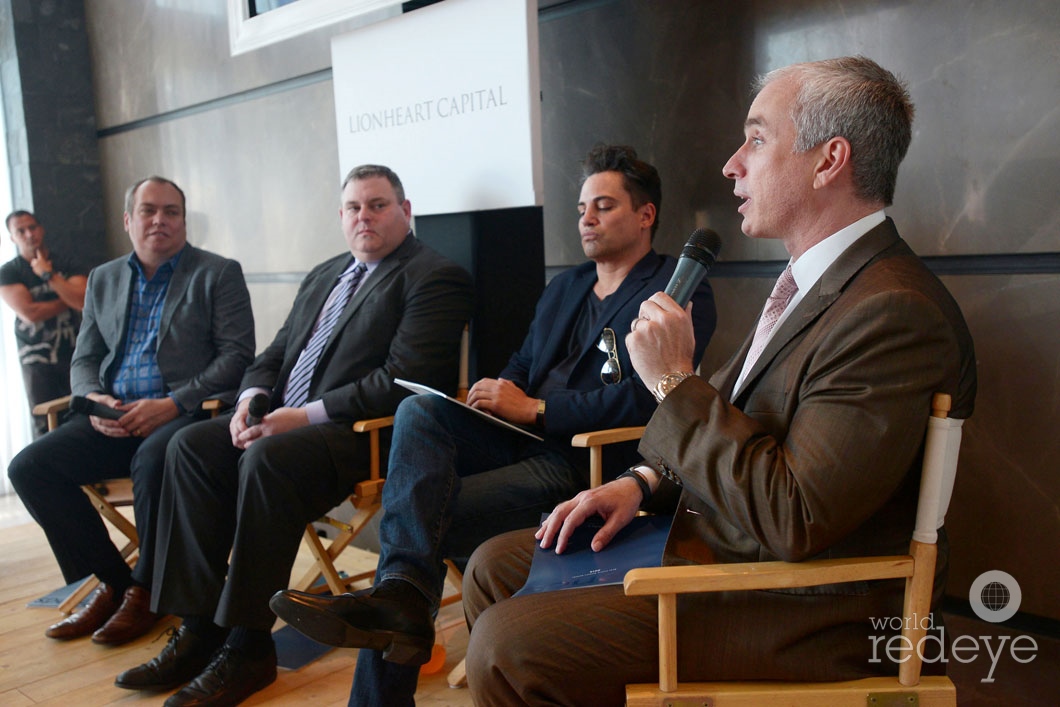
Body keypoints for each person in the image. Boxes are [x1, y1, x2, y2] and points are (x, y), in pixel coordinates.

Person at [454, 56, 977, 705]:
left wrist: (673, 378)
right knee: (491, 565)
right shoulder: (811, 283)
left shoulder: (892, 311)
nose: (733, 163)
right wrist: (638, 481)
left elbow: (795, 514)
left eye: (757, 138)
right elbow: (735, 416)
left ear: (828, 160)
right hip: (725, 549)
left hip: (801, 610)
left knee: (507, 644)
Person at [270, 144, 718, 706]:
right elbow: (522, 367)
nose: (587, 218)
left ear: (646, 214)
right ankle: (402, 603)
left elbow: (649, 399)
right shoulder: (566, 287)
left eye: (604, 206)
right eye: (582, 207)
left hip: (586, 463)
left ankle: (393, 638)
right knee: (420, 409)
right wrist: (490, 398)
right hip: (518, 441)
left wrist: (539, 410)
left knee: (414, 520)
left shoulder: (677, 292)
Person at [114, 164, 474, 707]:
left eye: (378, 205)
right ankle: (198, 629)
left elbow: (401, 380)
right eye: (353, 207)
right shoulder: (326, 272)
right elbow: (275, 356)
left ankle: (248, 647)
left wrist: (300, 417)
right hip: (284, 420)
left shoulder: (434, 275)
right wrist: (249, 402)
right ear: (341, 216)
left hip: (363, 437)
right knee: (187, 447)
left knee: (268, 461)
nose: (364, 216)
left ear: (405, 211)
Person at [7, 177, 256, 647]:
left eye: (171, 211)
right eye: (148, 210)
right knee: (30, 467)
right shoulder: (104, 278)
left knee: (153, 459)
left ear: (183, 220)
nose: (159, 219)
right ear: (128, 220)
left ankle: (148, 591)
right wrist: (92, 400)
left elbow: (237, 356)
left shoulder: (217, 273)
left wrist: (172, 403)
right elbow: (84, 358)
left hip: (182, 418)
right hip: (111, 417)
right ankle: (111, 582)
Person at [1, 210, 88, 437]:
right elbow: (30, 313)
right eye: (21, 231)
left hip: (75, 352)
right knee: (44, 422)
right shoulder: (9, 272)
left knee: (82, 414)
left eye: (32, 227)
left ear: (41, 229)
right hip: (36, 360)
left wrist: (49, 276)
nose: (29, 234)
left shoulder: (66, 262)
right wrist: (66, 297)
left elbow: (81, 300)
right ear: (12, 237)